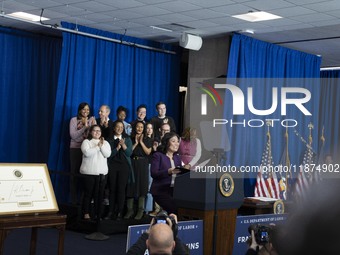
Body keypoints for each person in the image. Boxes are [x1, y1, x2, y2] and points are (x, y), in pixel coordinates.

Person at [150, 132, 190, 214]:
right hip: (161, 191)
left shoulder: (177, 158)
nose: (177, 144)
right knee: (174, 209)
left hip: (175, 191)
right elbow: (154, 173)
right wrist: (168, 171)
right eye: (173, 141)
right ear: (166, 142)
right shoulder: (158, 155)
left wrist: (185, 169)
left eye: (178, 141)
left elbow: (179, 174)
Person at [79, 125, 111, 220]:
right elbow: (87, 153)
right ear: (91, 132)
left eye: (99, 131)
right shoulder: (86, 142)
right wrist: (98, 147)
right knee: (88, 194)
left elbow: (107, 154)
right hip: (88, 173)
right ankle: (86, 213)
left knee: (99, 195)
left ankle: (98, 214)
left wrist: (101, 146)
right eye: (95, 131)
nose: (97, 132)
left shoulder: (105, 143)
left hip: (101, 174)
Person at [69, 102, 96, 204]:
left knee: (86, 175)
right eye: (84, 109)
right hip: (75, 149)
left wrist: (92, 125)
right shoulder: (73, 120)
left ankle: (84, 200)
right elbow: (73, 136)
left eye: (88, 110)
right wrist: (85, 127)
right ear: (80, 110)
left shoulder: (91, 121)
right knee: (74, 174)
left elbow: (93, 137)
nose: (86, 111)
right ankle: (74, 201)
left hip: (87, 150)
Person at [105, 120, 133, 220]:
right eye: (118, 127)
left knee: (121, 189)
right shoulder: (109, 140)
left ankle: (120, 212)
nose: (120, 129)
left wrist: (124, 146)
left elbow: (129, 153)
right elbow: (108, 155)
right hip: (112, 166)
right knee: (112, 189)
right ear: (114, 128)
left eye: (122, 127)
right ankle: (110, 211)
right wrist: (117, 148)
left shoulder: (127, 139)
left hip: (124, 167)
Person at [126, 121, 153, 220]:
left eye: (142, 127)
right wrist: (136, 143)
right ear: (135, 128)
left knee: (142, 186)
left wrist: (141, 142)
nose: (139, 129)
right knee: (131, 185)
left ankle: (140, 210)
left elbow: (148, 152)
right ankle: (130, 210)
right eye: (138, 127)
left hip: (143, 163)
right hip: (133, 162)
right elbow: (128, 152)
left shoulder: (147, 139)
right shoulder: (130, 139)